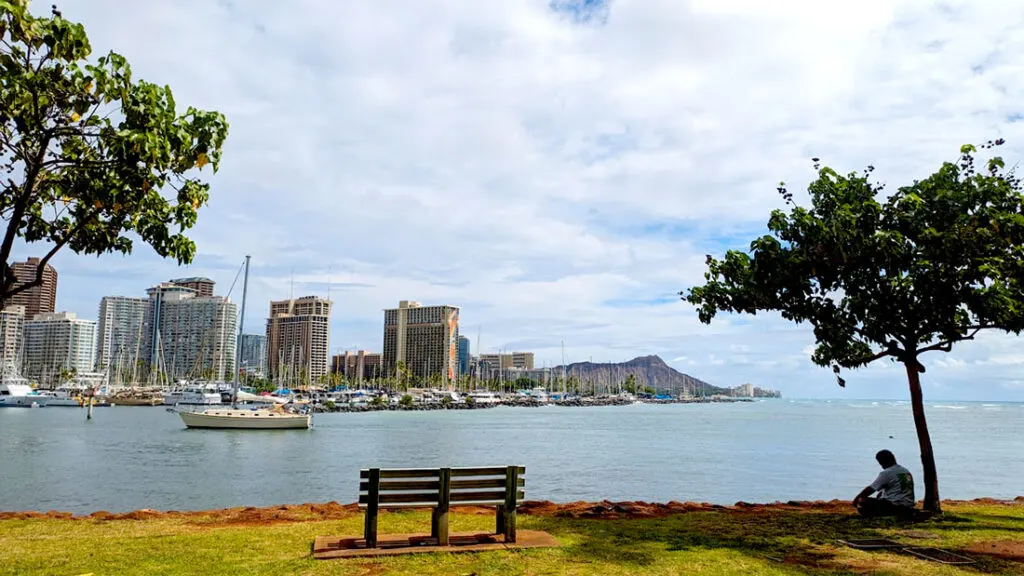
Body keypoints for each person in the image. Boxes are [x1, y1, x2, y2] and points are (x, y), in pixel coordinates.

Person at [853, 450, 916, 518]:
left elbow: (870, 489)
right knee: (880, 494)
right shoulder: (905, 471)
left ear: (882, 462)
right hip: (908, 505)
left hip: (895, 506)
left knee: (863, 501)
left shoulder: (887, 473)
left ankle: (872, 515)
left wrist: (857, 499)